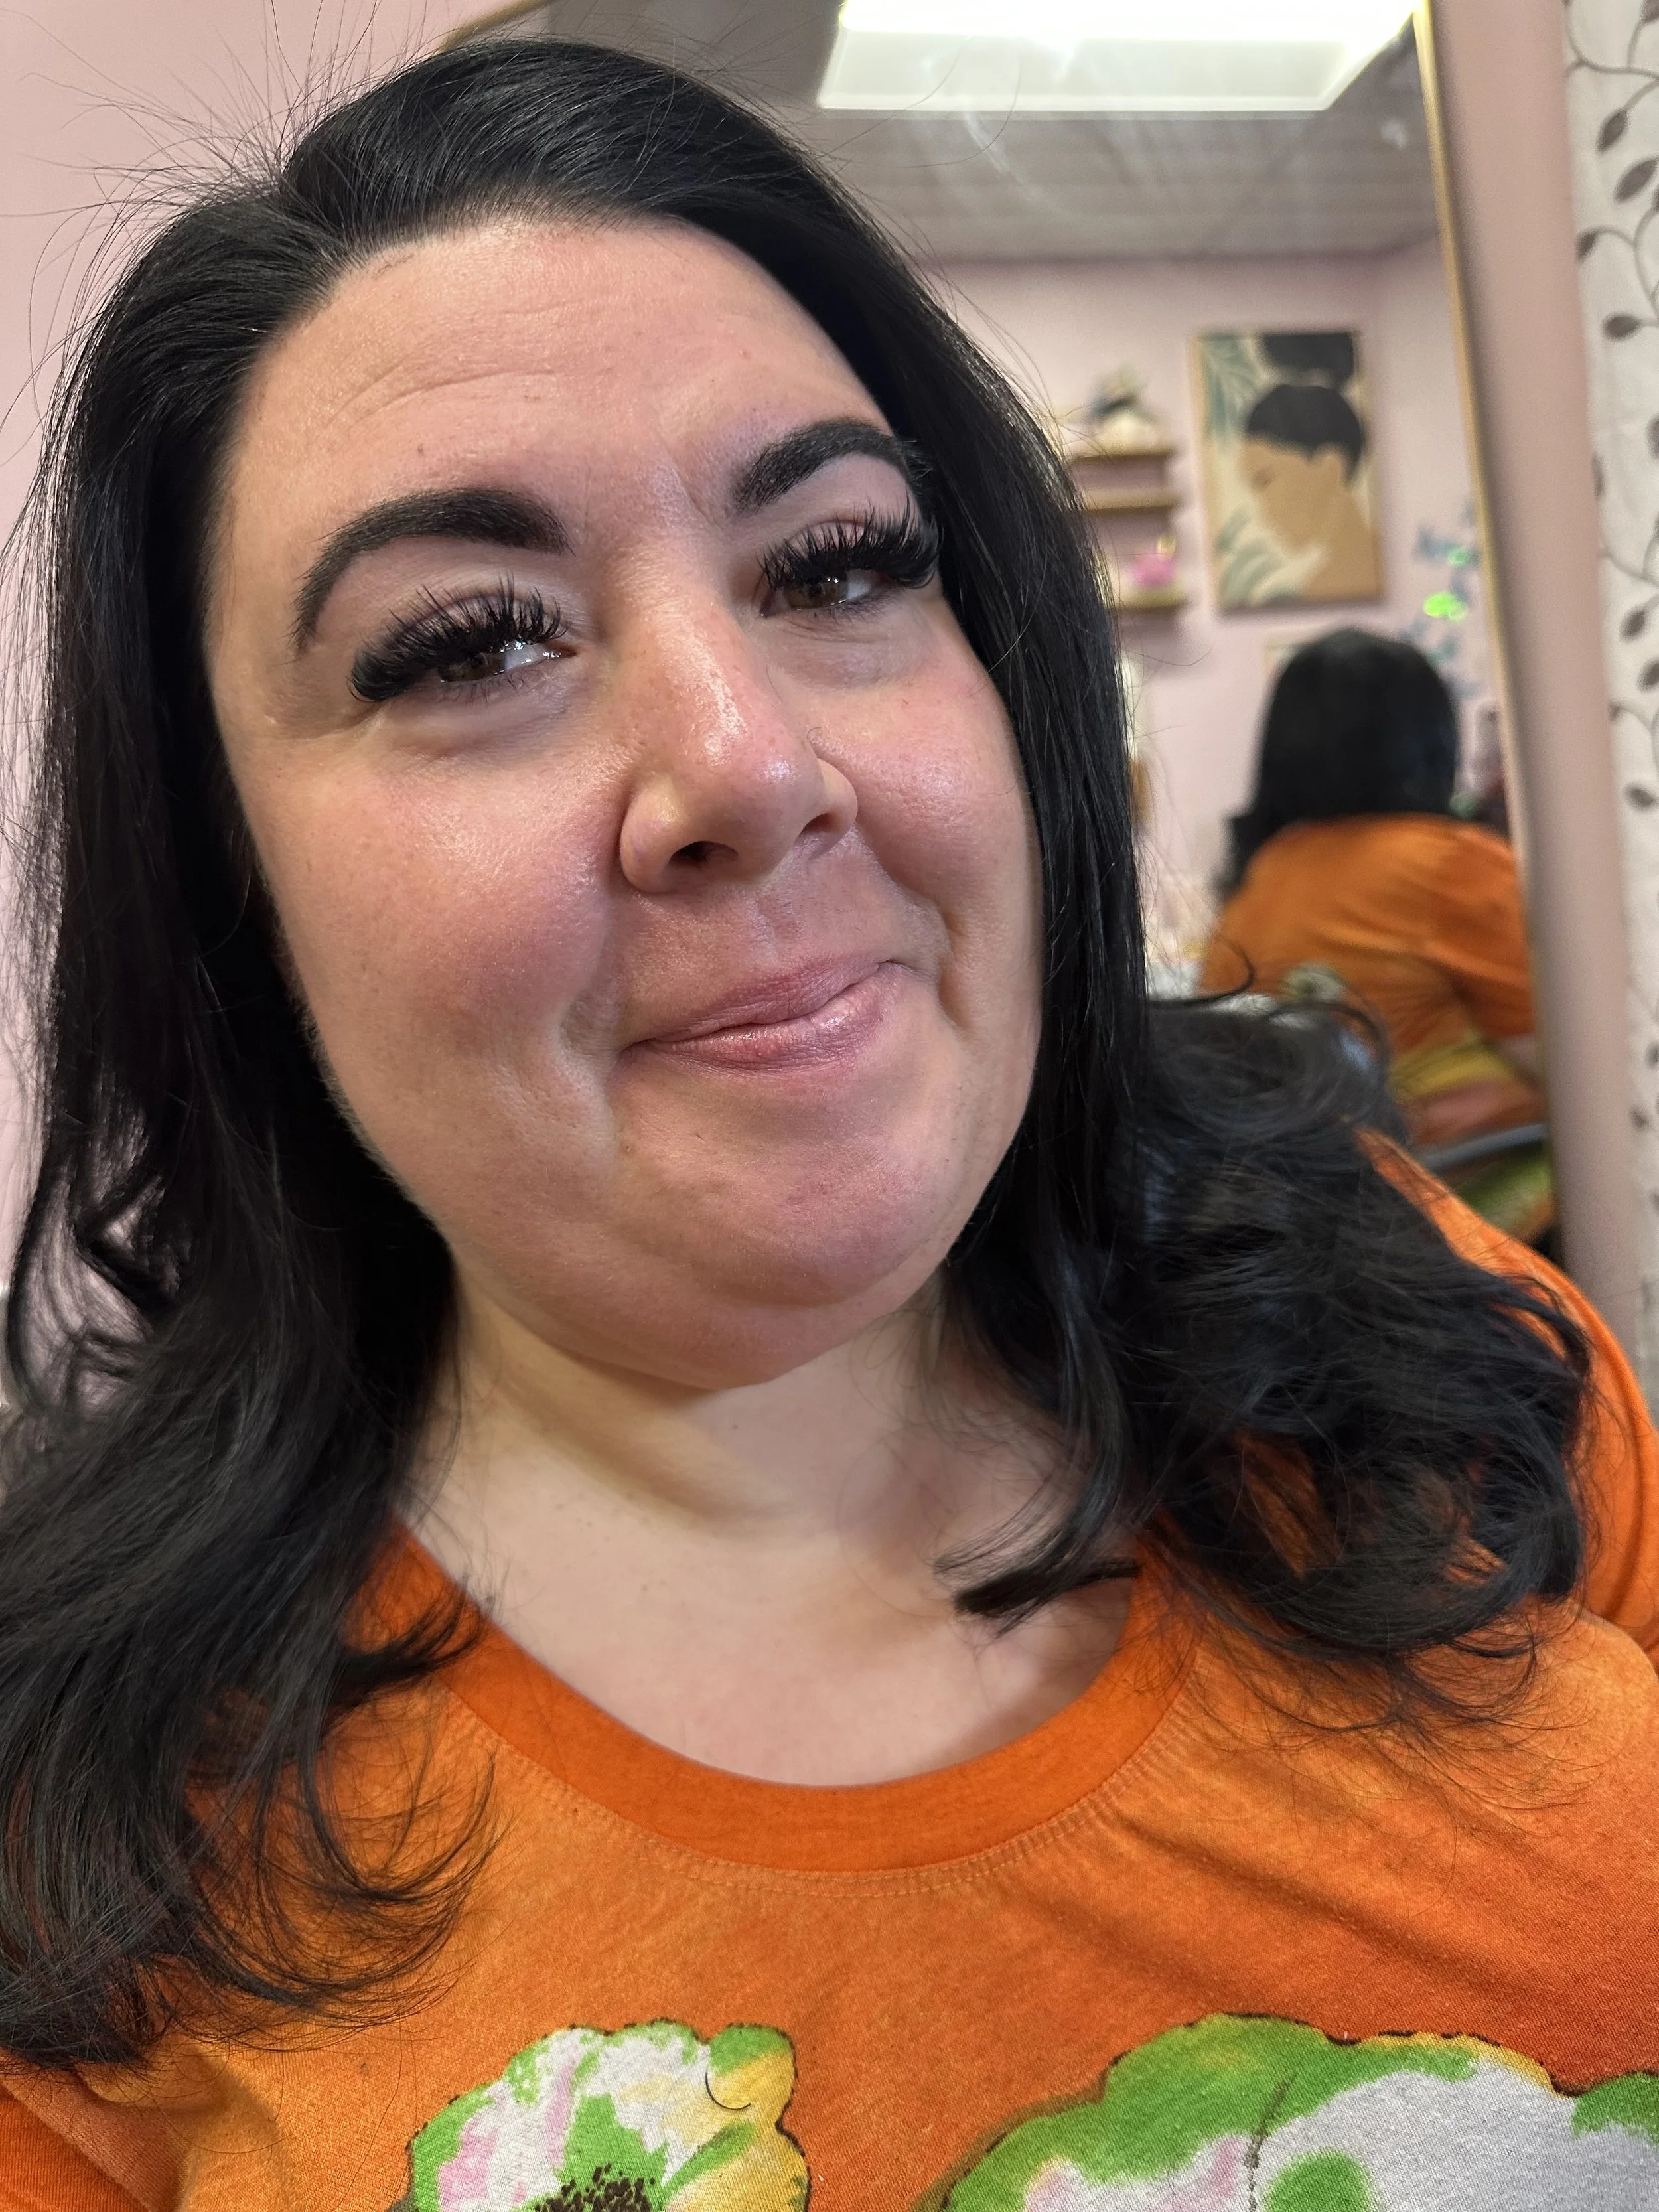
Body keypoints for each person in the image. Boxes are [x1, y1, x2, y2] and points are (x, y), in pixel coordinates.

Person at [0, 39, 1656, 2211]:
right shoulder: (92, 1841)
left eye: (841, 560)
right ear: (227, 871)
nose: (753, 761)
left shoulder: (1426, 1343)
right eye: (474, 640)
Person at [1202, 628, 1553, 1244]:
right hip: (1461, 1212)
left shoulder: (1261, 878)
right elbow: (1567, 1065)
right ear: (1431, 739)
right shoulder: (1452, 864)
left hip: (1311, 1225)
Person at [1238, 338, 1381, 602]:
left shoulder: (1336, 579)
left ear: (1330, 468)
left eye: (1266, 481)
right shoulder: (1319, 585)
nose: (1264, 509)